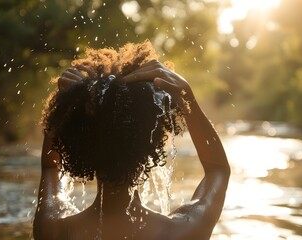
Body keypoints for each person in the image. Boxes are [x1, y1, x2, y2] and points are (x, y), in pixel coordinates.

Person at [33, 41, 230, 240]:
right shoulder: (179, 232)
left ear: (79, 144)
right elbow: (218, 170)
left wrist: (64, 103)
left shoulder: (54, 230)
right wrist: (187, 97)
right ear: (154, 142)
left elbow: (51, 166)